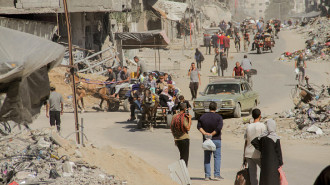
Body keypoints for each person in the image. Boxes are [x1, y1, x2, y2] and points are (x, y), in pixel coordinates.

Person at [197, 102, 224, 181]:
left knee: (207, 158)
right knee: (217, 157)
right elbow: (219, 128)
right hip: (216, 139)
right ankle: (216, 175)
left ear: (209, 108)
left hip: (206, 140)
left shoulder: (203, 116)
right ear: (216, 108)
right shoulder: (219, 117)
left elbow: (199, 126)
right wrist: (212, 134)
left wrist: (205, 134)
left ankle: (207, 176)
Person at [251, 119, 283, 185]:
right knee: (273, 180)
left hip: (264, 162)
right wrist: (280, 163)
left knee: (265, 179)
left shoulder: (263, 137)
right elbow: (278, 152)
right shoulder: (275, 138)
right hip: (274, 163)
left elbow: (254, 141)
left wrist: (262, 149)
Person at [243, 109, 267, 185]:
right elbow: (265, 140)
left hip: (248, 153)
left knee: (253, 175)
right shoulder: (262, 126)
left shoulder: (248, 126)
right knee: (265, 172)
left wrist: (244, 156)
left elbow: (246, 142)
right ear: (260, 116)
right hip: (258, 153)